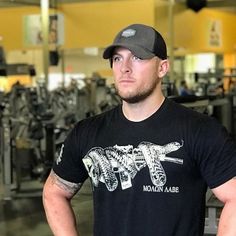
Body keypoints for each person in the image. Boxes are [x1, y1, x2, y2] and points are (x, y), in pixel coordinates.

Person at [42, 23, 236, 236]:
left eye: (137, 57)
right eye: (117, 58)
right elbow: (54, 193)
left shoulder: (200, 130)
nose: (124, 67)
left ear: (162, 68)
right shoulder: (87, 132)